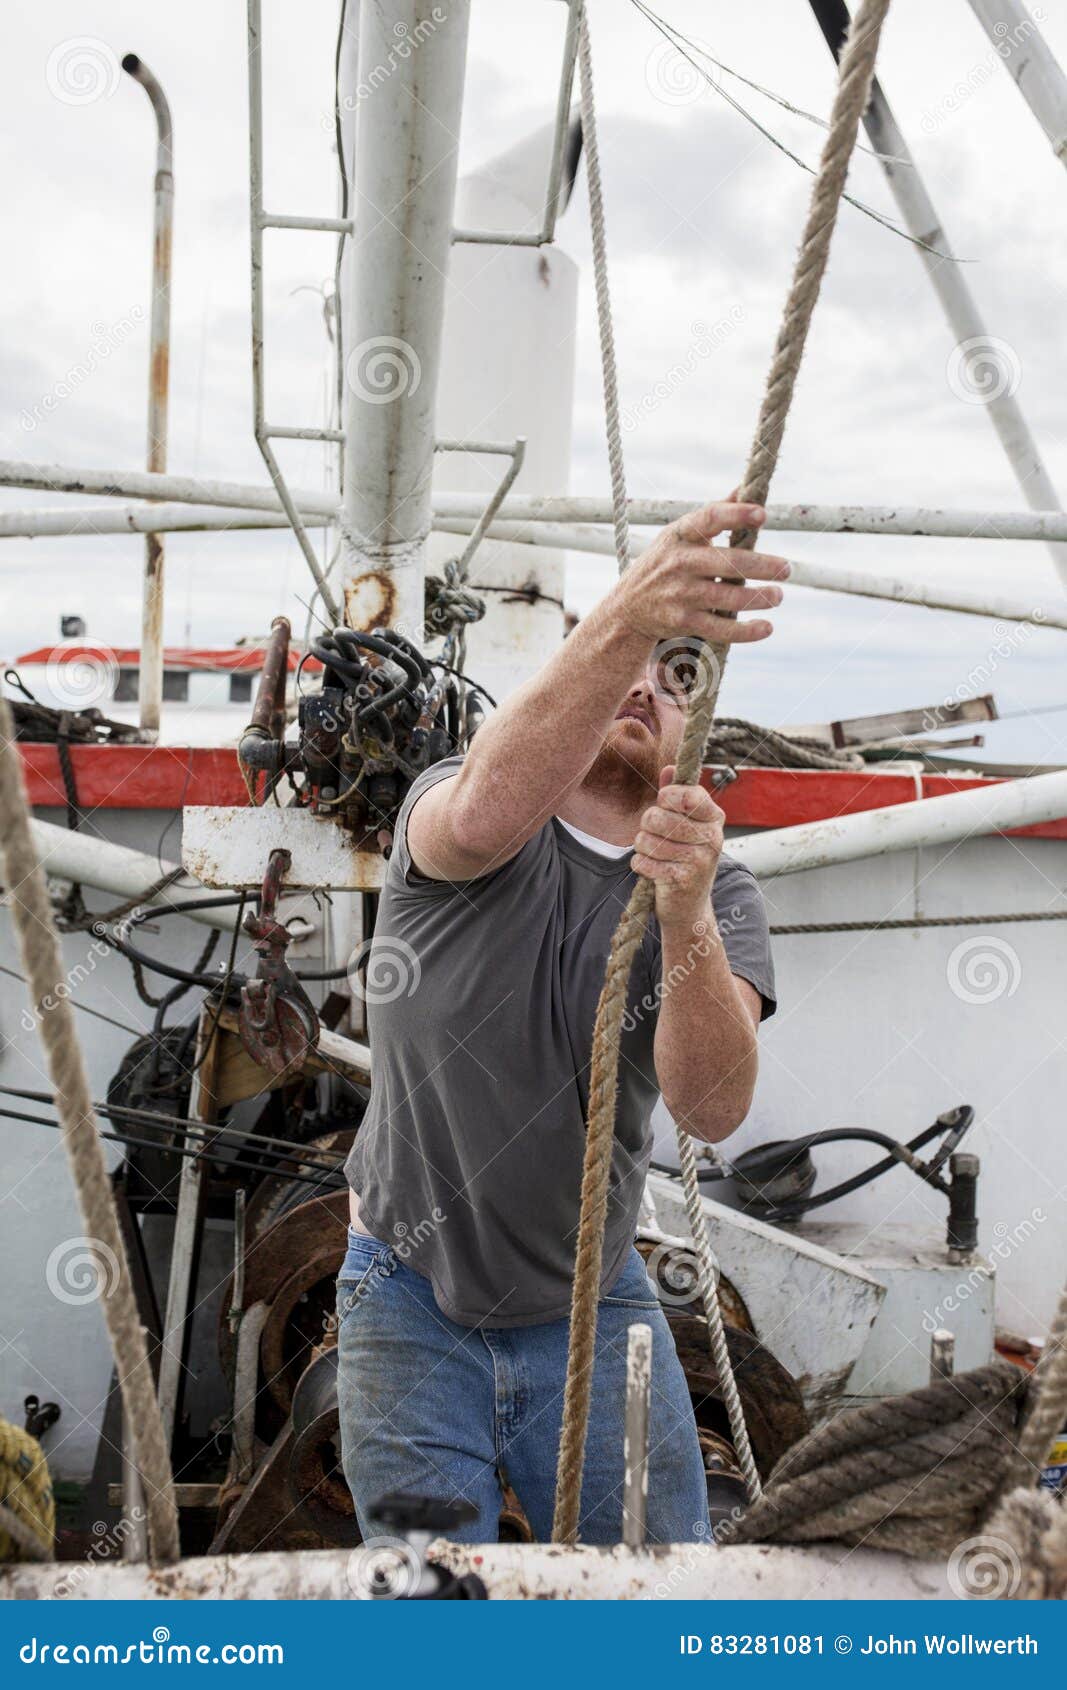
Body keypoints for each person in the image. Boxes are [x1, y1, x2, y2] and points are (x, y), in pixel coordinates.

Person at [337, 498, 785, 1545]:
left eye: (678, 679)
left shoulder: (721, 896)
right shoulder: (459, 811)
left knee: (652, 1608)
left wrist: (680, 912)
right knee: (424, 1626)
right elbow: (491, 802)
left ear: (696, 739)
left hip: (591, 1308)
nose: (645, 684)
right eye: (626, 660)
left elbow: (712, 1106)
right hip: (402, 1298)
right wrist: (632, 608)